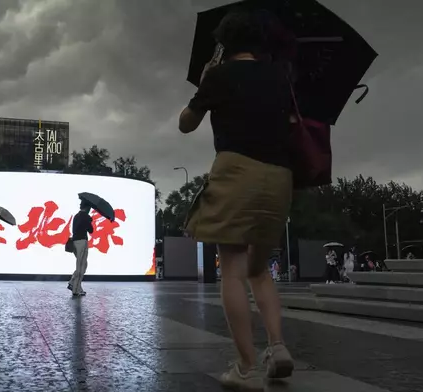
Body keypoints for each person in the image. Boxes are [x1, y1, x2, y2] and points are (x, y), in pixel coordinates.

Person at [179, 9, 295, 391]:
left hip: (236, 170)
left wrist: (207, 80)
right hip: (279, 176)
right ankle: (277, 348)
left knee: (231, 267)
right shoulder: (281, 76)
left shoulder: (220, 75)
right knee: (258, 269)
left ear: (225, 42)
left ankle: (246, 368)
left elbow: (186, 122)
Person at [68, 201, 93, 296]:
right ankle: (76, 289)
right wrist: (90, 221)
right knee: (81, 266)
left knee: (82, 265)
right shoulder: (86, 217)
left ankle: (73, 283)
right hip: (82, 242)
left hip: (74, 242)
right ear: (87, 208)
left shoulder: (76, 216)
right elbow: (91, 230)